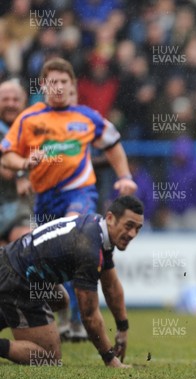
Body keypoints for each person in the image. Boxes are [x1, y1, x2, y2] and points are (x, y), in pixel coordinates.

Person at [0, 58, 137, 341]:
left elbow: (112, 143)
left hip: (79, 193)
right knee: (55, 257)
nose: (59, 87)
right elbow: (8, 155)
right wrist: (25, 162)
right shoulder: (29, 118)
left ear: (72, 85)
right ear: (43, 85)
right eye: (53, 82)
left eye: (64, 82)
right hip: (44, 200)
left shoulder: (86, 116)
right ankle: (64, 315)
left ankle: (79, 321)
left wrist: (124, 175)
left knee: (78, 242)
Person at [0, 195, 143, 367]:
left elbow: (111, 285)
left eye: (138, 228)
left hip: (14, 266)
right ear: (111, 218)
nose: (133, 234)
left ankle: (7, 312)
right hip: (17, 277)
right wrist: (110, 358)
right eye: (129, 226)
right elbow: (89, 316)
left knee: (61, 299)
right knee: (49, 359)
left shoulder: (97, 225)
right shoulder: (89, 249)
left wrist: (122, 328)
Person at [0, 79, 32, 246]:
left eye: (15, 99)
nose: (10, 104)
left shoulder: (34, 130)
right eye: (5, 99)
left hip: (22, 215)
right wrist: (20, 173)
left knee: (29, 244)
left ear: (24, 102)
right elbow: (6, 171)